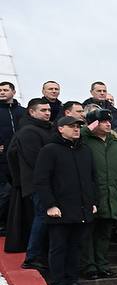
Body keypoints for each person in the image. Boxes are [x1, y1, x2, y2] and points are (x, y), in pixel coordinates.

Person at [34, 115, 96, 285]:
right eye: (72, 126)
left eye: (78, 126)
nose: (76, 129)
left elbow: (92, 179)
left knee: (76, 246)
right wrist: (50, 205)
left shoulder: (85, 150)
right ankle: (58, 282)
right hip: (59, 209)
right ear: (60, 129)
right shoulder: (49, 150)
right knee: (58, 247)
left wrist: (93, 202)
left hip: (82, 208)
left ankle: (72, 280)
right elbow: (41, 181)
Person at [81, 109, 117, 279]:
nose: (108, 124)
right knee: (88, 233)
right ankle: (89, 267)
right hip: (92, 195)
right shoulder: (84, 140)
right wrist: (88, 127)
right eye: (103, 121)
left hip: (112, 195)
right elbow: (78, 135)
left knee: (104, 233)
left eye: (109, 121)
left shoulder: (116, 142)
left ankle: (102, 265)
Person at [7, 99, 56, 261]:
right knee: (41, 218)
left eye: (49, 110)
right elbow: (34, 160)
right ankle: (33, 257)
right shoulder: (28, 132)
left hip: (49, 182)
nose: (47, 113)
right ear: (32, 112)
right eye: (43, 110)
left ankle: (40, 255)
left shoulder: (49, 128)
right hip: (38, 184)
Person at [0, 80, 22, 234]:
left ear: (13, 92)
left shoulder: (22, 111)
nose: (2, 92)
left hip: (19, 158)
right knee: (4, 192)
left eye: (5, 90)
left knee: (16, 192)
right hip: (2, 159)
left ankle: (13, 224)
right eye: (0, 90)